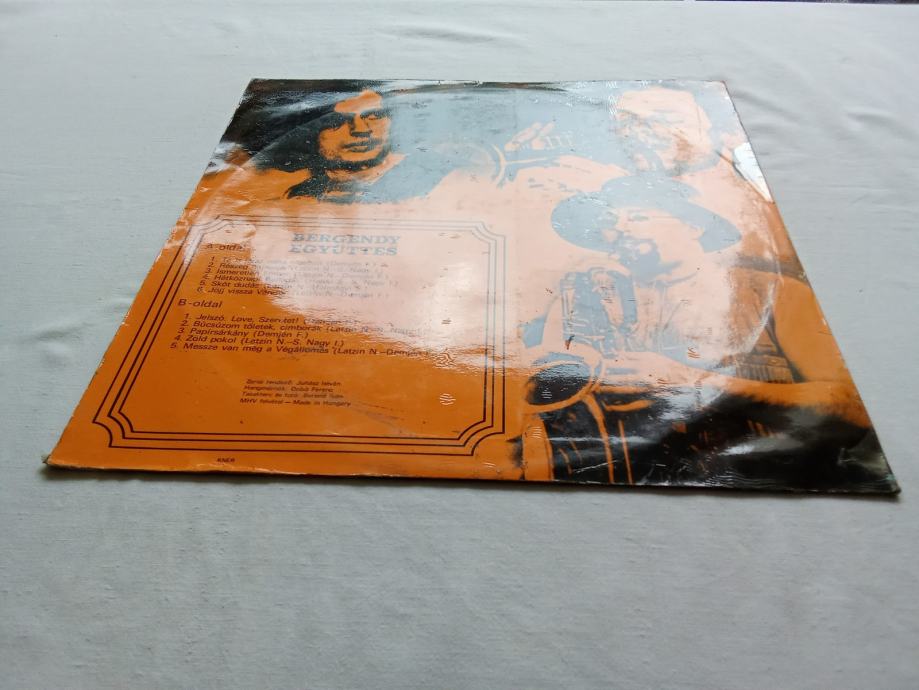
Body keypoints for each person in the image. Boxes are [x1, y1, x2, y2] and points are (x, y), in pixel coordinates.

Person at [519, 177, 886, 490]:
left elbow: (852, 413)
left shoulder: (775, 292)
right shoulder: (600, 300)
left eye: (637, 217)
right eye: (608, 230)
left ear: (694, 225)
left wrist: (690, 383)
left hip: (773, 479)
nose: (615, 233)